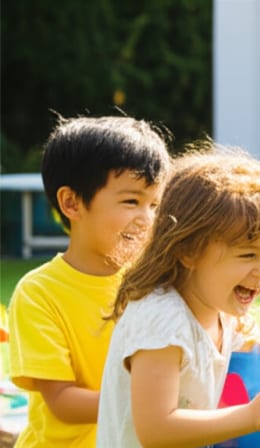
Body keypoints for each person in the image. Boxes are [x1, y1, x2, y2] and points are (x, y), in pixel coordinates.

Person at [96, 146, 260, 447]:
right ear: (188, 251)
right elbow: (156, 429)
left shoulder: (216, 307)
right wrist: (251, 416)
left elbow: (239, 340)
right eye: (248, 254)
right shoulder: (162, 320)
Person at [7, 115, 171, 447]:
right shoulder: (39, 293)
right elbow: (63, 401)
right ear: (71, 203)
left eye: (154, 204)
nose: (147, 219)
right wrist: (154, 406)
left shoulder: (154, 281)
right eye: (131, 202)